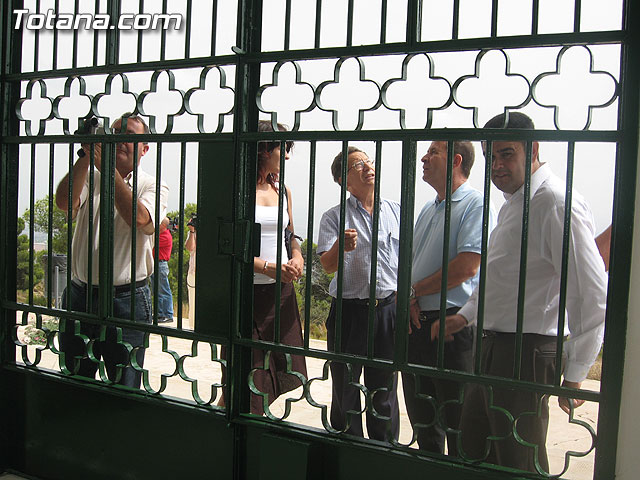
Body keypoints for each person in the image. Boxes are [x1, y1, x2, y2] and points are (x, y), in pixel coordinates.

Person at [435, 112, 607, 472]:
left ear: (533, 150)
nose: (497, 165)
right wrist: (464, 317)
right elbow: (501, 278)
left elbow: (589, 290)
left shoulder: (554, 203)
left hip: (526, 353)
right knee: (475, 453)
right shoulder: (517, 203)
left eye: (507, 154)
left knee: (518, 462)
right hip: (494, 346)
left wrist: (576, 370)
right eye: (491, 156)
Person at [55, 114, 168, 388]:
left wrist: (107, 169)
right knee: (74, 383)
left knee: (124, 387)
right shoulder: (89, 174)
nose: (118, 140)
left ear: (144, 148)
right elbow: (63, 203)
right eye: (115, 132)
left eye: (128, 135)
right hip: (80, 295)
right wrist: (86, 153)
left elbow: (140, 219)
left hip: (127, 300)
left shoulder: (152, 184)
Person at [404, 140, 495, 454]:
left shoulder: (475, 204)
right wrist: (413, 300)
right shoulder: (429, 207)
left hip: (452, 325)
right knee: (424, 424)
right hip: (418, 324)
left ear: (456, 160)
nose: (424, 158)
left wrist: (415, 291)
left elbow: (467, 267)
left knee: (459, 425)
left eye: (433, 152)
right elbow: (416, 262)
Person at [221, 120, 307, 413]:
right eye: (282, 149)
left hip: (279, 294)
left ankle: (239, 414)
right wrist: (268, 267)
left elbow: (290, 234)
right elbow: (225, 246)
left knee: (279, 370)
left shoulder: (282, 190)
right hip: (246, 295)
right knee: (247, 374)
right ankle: (239, 424)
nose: (286, 156)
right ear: (263, 148)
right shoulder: (237, 190)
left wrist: (297, 256)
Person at [317, 146, 400, 442]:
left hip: (388, 311)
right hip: (349, 313)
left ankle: (384, 452)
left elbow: (406, 264)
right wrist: (341, 247)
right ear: (343, 180)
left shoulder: (395, 211)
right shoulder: (333, 217)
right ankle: (348, 451)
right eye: (358, 165)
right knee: (347, 391)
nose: (368, 167)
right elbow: (326, 266)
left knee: (385, 392)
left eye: (369, 161)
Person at [152, 217, 174, 323]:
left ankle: (168, 314)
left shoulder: (165, 236)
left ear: (163, 226)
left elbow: (151, 243)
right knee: (157, 290)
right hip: (155, 263)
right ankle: (160, 313)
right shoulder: (160, 234)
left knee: (163, 290)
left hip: (160, 264)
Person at [185, 217, 197, 330]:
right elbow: (190, 248)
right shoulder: (192, 233)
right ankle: (193, 327)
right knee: (193, 302)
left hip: (207, 273)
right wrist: (192, 231)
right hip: (194, 272)